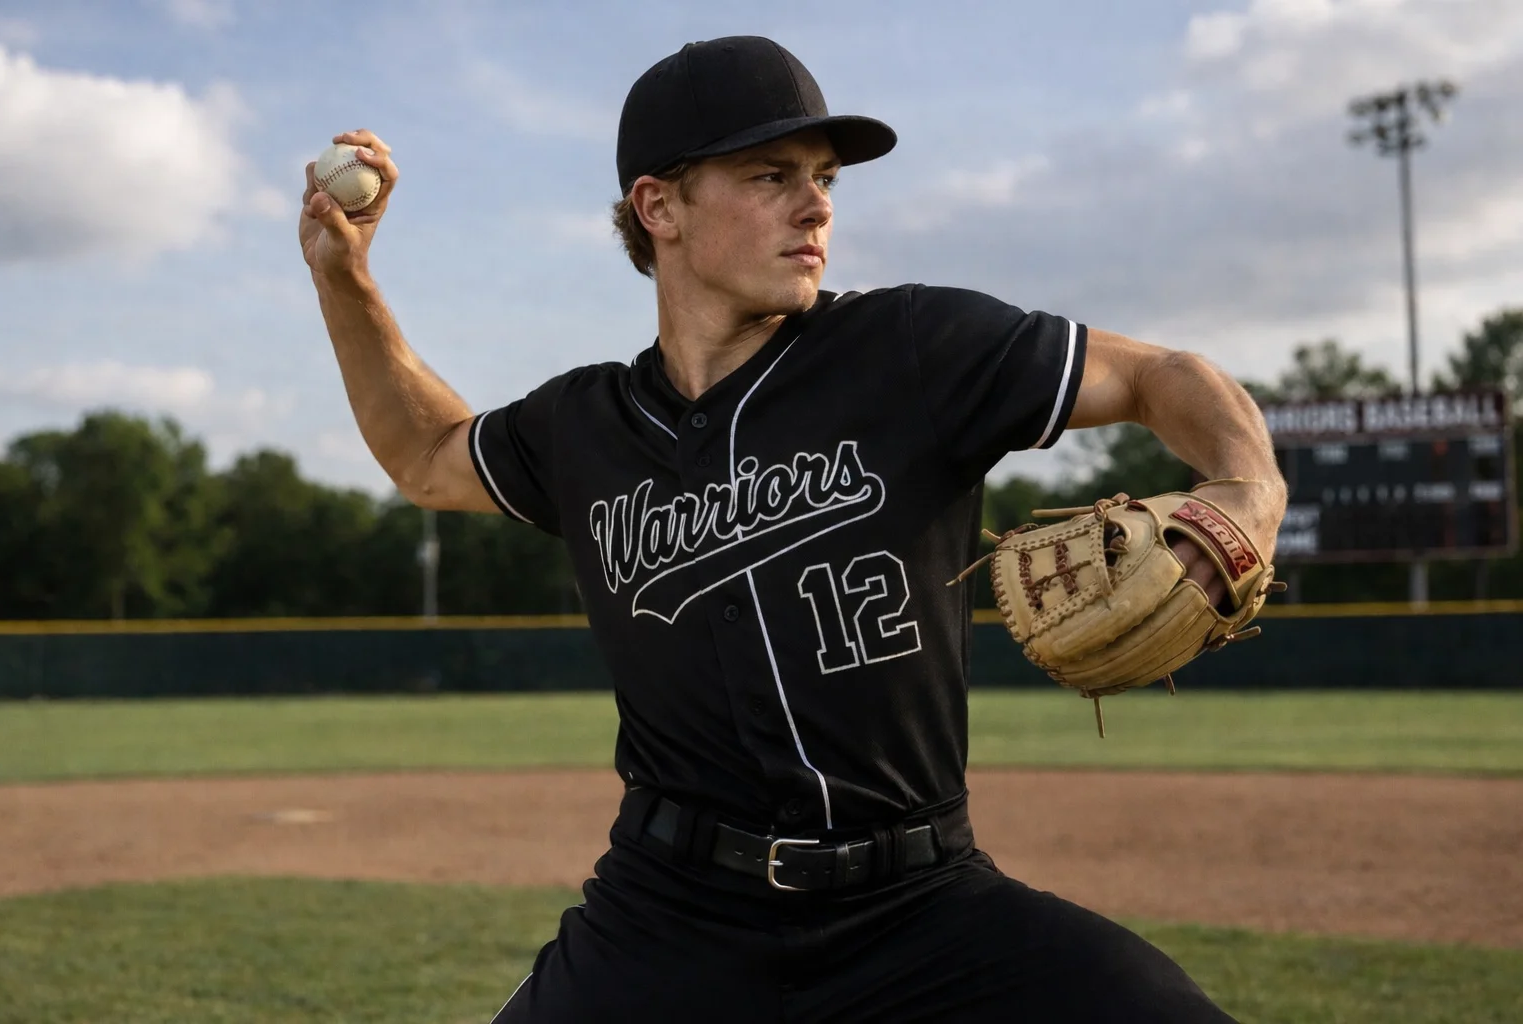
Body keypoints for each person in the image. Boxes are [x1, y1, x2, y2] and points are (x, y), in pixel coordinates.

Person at [300, 34, 1285, 1024]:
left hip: (920, 907)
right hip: (666, 914)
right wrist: (346, 279)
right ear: (660, 207)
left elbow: (1162, 375)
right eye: (771, 175)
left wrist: (1248, 494)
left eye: (823, 177)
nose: (815, 204)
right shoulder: (583, 429)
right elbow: (428, 455)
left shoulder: (910, 350)